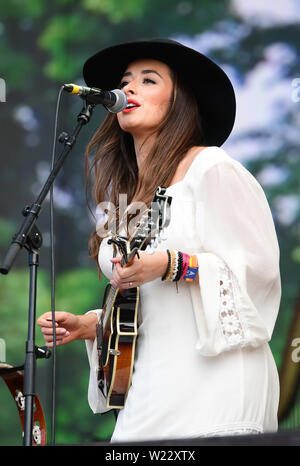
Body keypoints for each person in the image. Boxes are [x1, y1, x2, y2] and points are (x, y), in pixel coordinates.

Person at [37, 39, 281, 442]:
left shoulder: (212, 168)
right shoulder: (124, 195)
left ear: (178, 101)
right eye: (125, 81)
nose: (129, 89)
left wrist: (171, 264)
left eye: (148, 81)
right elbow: (155, 309)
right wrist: (89, 325)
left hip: (215, 388)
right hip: (148, 393)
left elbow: (258, 271)